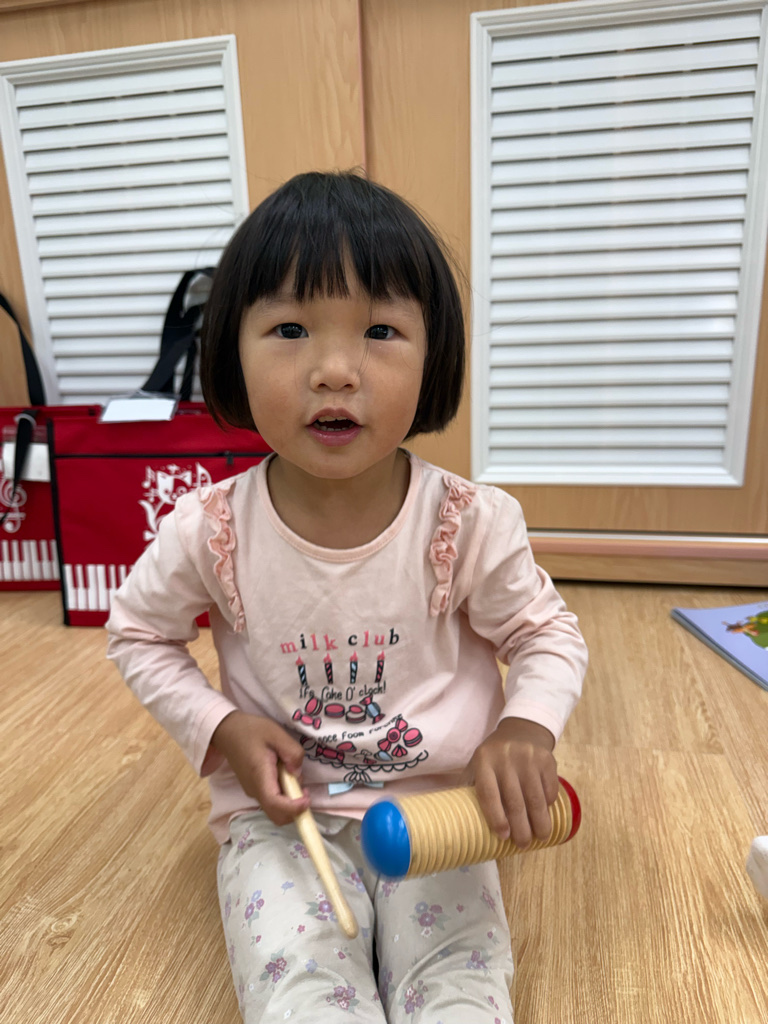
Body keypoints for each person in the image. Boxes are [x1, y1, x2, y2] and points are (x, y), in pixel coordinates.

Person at [106, 170, 588, 1023]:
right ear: (231, 350)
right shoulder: (209, 530)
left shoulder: (470, 522)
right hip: (282, 817)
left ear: (435, 356)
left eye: (381, 331)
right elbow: (138, 633)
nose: (334, 370)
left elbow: (546, 634)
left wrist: (526, 726)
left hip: (439, 810)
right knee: (300, 986)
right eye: (290, 329)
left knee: (458, 982)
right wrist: (221, 725)